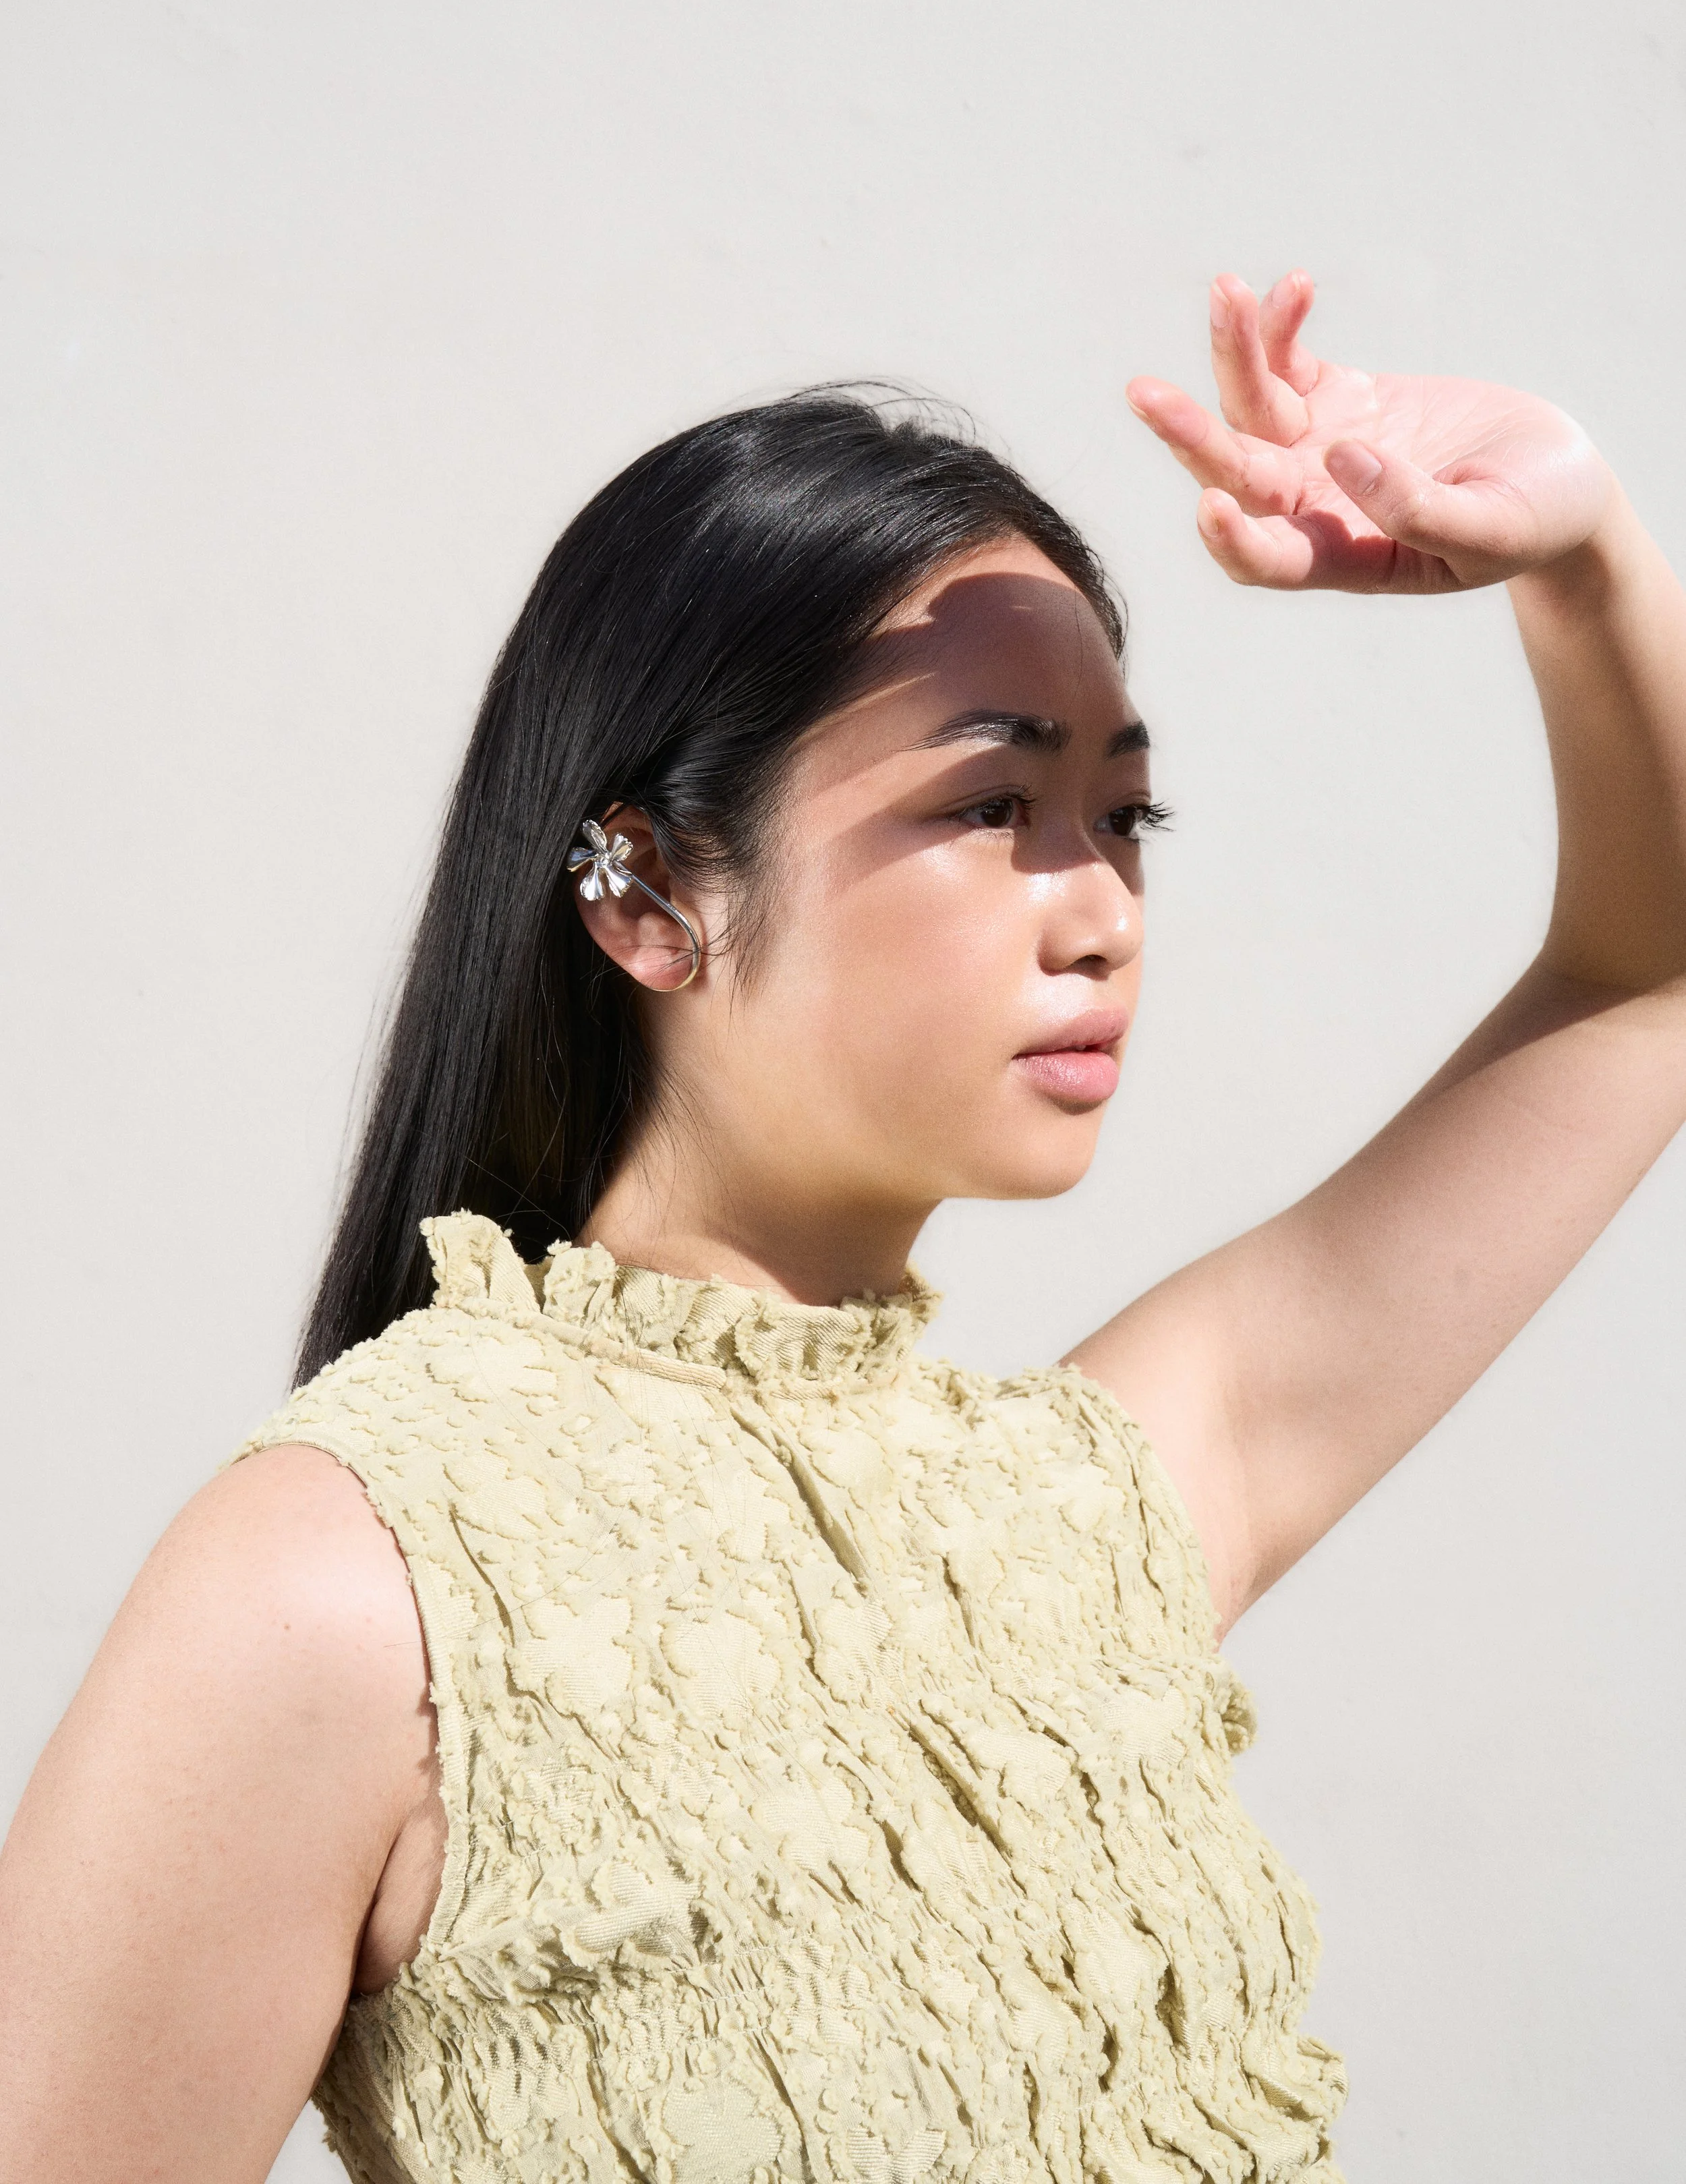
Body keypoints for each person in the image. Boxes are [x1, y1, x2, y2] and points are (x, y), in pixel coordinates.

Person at [3, 271, 1683, 2184]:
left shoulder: (1090, 1510)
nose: (1100, 911)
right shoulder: (344, 1579)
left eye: (1124, 816)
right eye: (991, 804)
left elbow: (1645, 981)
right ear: (646, 894)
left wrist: (1584, 553)